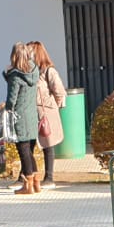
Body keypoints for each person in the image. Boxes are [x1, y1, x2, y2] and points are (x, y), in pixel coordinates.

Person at [3, 42, 41, 195]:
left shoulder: (15, 75)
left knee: (23, 150)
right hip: (32, 114)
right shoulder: (34, 71)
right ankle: (37, 183)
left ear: (14, 55)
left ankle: (28, 185)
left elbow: (12, 99)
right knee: (29, 150)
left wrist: (6, 109)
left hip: (20, 115)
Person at [30, 41, 68, 187]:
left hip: (46, 112)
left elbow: (59, 91)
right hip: (32, 111)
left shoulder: (48, 71)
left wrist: (52, 107)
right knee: (28, 144)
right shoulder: (30, 72)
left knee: (48, 144)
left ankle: (49, 177)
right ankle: (28, 176)